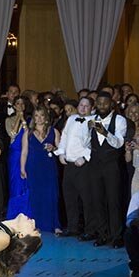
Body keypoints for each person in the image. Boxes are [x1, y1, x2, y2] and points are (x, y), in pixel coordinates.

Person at [87, 92, 127, 248]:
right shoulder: (92, 119)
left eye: (105, 103)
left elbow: (118, 143)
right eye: (99, 103)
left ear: (111, 104)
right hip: (95, 164)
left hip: (112, 165)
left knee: (114, 201)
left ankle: (117, 236)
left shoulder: (120, 120)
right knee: (97, 200)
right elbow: (87, 142)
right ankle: (102, 234)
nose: (102, 106)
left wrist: (104, 132)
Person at [56, 97, 94, 237]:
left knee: (86, 199)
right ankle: (73, 228)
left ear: (91, 108)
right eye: (81, 105)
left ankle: (90, 230)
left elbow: (93, 142)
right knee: (69, 197)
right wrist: (61, 153)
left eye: (87, 105)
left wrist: (85, 157)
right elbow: (64, 137)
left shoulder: (94, 121)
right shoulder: (71, 119)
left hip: (84, 165)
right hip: (69, 164)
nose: (83, 108)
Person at [20, 106, 61, 232]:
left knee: (51, 195)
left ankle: (55, 225)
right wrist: (22, 168)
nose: (39, 118)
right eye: (36, 116)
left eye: (41, 115)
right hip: (33, 167)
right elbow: (24, 152)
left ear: (46, 117)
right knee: (35, 195)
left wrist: (53, 148)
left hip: (49, 167)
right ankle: (36, 224)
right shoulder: (28, 133)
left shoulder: (54, 131)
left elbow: (61, 150)